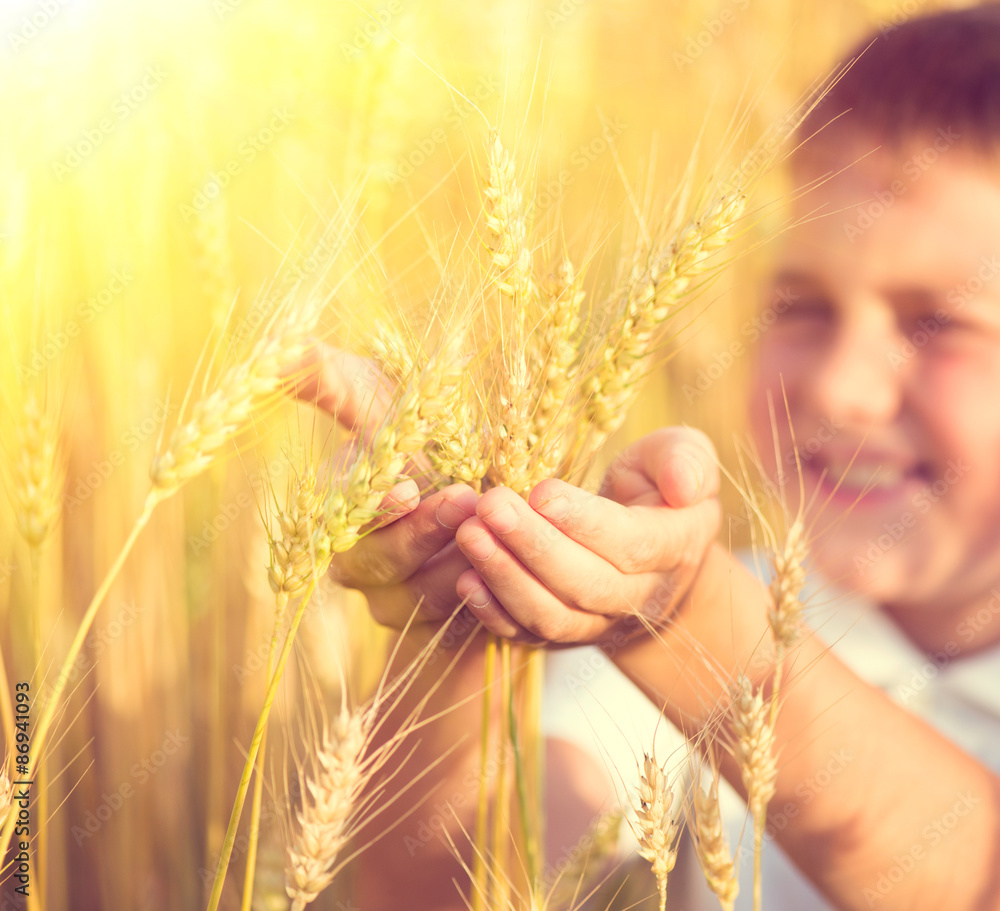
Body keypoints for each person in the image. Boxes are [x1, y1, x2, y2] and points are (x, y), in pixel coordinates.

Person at [296, 5, 1000, 909]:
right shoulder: (746, 605)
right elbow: (439, 886)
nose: (838, 388)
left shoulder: (719, 618)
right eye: (802, 306)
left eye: (938, 323)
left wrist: (687, 625)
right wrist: (468, 593)